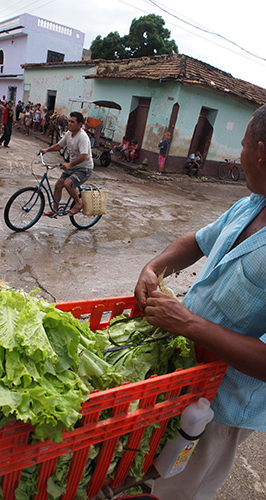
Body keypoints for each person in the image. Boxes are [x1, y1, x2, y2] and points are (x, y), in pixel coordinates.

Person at [134, 104, 266, 500]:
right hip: (185, 378)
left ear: (261, 151)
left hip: (223, 406)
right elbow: (196, 242)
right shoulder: (251, 204)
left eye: (242, 146)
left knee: (183, 489)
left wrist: (189, 324)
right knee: (153, 479)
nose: (237, 156)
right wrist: (154, 265)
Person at [40, 111, 93, 216]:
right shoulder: (69, 134)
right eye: (69, 121)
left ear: (79, 125)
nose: (69, 124)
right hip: (74, 167)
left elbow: (84, 156)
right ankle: (54, 211)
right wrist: (46, 150)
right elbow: (60, 145)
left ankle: (78, 203)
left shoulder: (83, 137)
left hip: (84, 168)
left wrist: (69, 165)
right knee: (58, 184)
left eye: (72, 122)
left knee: (68, 183)